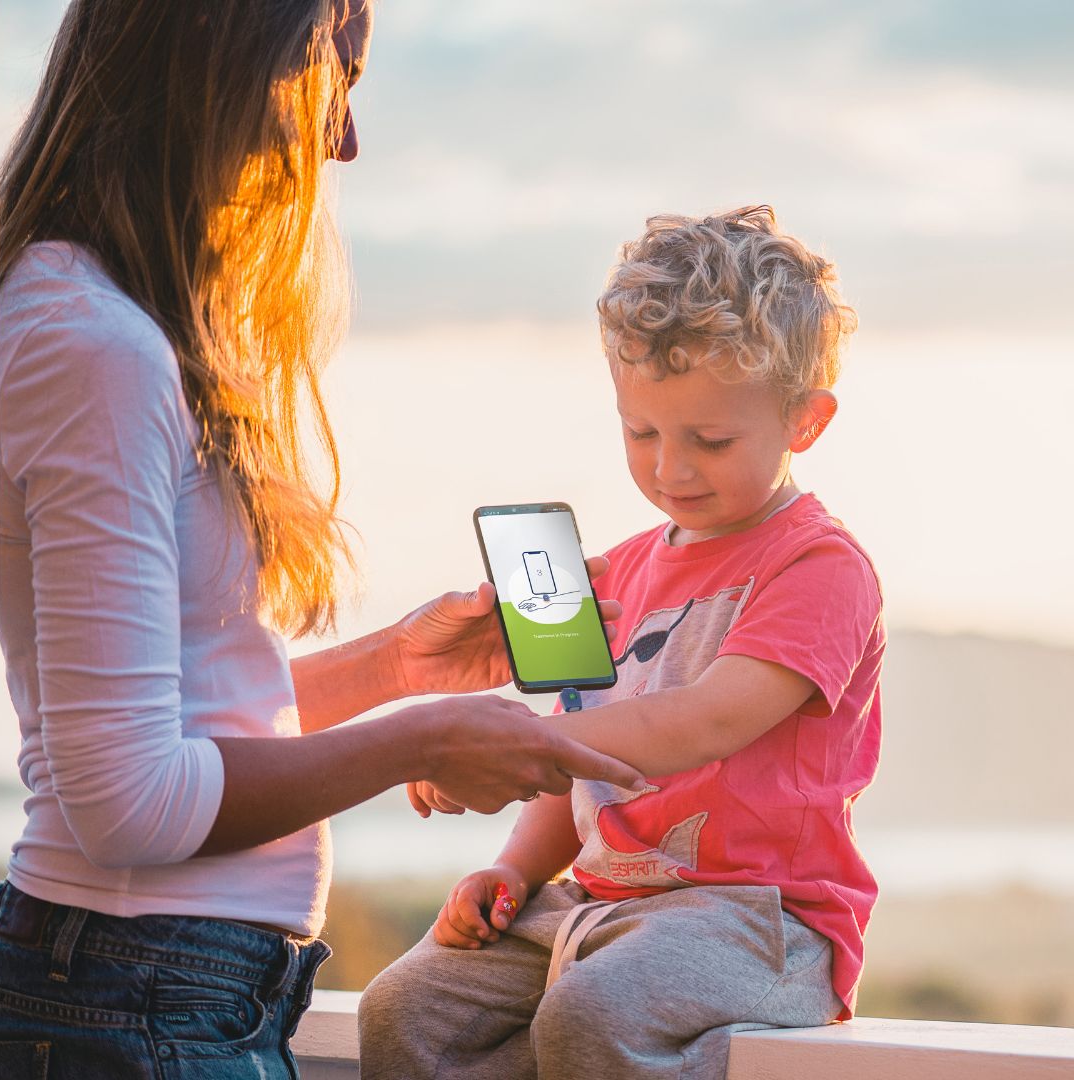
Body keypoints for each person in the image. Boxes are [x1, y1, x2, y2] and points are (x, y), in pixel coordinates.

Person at [0, 2, 645, 1075]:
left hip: (160, 992)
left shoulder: (107, 322)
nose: (343, 140)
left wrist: (398, 668)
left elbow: (185, 718)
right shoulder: (92, 345)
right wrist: (423, 742)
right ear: (224, 54)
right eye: (332, 76)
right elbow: (127, 801)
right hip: (134, 996)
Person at [358, 206, 885, 1080]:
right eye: (641, 432)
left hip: (761, 921)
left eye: (710, 440)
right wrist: (514, 870)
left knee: (593, 1011)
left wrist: (502, 743)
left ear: (806, 421)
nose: (670, 468)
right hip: (594, 904)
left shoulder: (818, 565)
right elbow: (579, 763)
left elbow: (706, 722)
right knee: (407, 1008)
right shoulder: (621, 570)